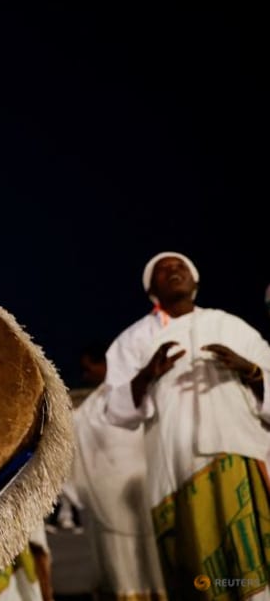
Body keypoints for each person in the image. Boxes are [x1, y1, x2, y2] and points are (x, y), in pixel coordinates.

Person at [104, 251, 270, 599]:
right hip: (177, 472)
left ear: (195, 280)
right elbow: (115, 410)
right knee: (202, 578)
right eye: (162, 270)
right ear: (150, 289)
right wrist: (145, 376)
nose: (173, 271)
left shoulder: (231, 325)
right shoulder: (133, 340)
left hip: (240, 455)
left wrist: (251, 371)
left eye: (180, 266)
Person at [63, 341, 166, 600]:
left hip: (141, 492)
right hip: (107, 500)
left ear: (105, 363)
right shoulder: (93, 404)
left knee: (156, 564)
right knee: (120, 568)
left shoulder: (131, 393)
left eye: (89, 369)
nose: (86, 376)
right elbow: (74, 431)